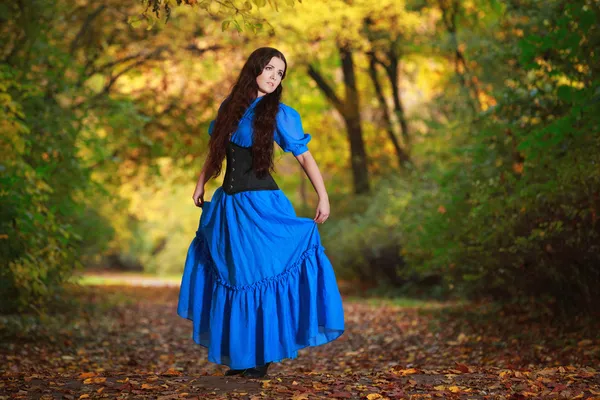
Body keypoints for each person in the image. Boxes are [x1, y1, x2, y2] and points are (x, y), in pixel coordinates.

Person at [177, 47, 345, 379]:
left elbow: (305, 158)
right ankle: (243, 359)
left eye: (280, 73)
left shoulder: (281, 114)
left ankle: (260, 360)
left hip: (263, 209)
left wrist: (323, 197)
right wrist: (201, 183)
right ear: (254, 68)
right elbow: (216, 152)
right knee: (237, 279)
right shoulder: (229, 108)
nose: (273, 77)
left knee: (260, 279)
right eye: (269, 69)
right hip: (229, 209)